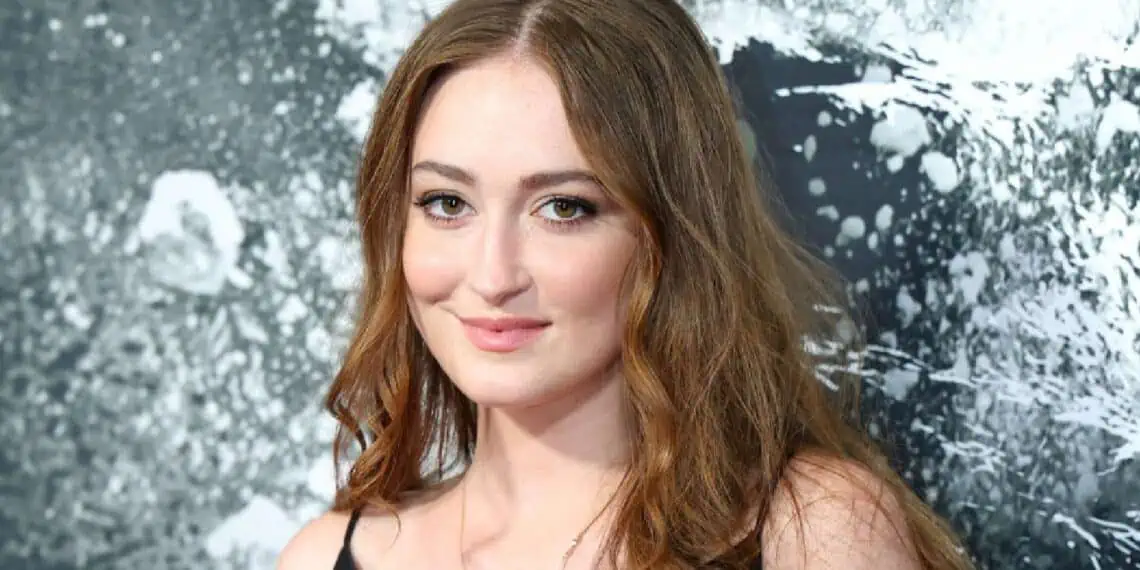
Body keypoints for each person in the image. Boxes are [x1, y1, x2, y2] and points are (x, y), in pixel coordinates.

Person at [278, 0, 974, 568]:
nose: (492, 276)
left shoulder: (813, 529)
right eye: (446, 203)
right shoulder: (323, 557)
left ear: (672, 233)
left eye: (564, 208)